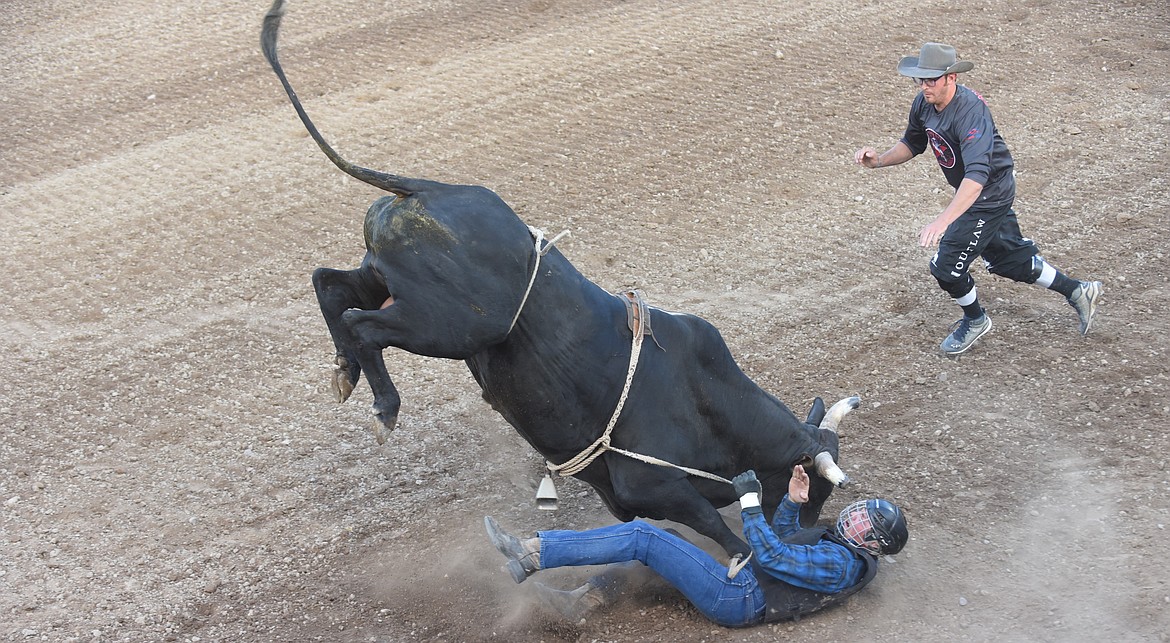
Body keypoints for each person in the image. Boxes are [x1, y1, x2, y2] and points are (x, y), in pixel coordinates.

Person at [853, 42, 1102, 356]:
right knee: (1009, 262)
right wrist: (879, 161)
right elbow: (912, 143)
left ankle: (975, 319)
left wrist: (944, 221)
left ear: (951, 78)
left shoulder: (970, 113)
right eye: (921, 79)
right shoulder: (923, 103)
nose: (925, 85)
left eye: (932, 79)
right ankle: (1079, 291)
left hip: (987, 195)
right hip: (980, 192)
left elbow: (976, 178)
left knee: (945, 267)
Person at [483, 464, 908, 627]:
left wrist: (749, 503)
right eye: (858, 510)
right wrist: (793, 506)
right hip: (742, 586)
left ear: (874, 543)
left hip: (739, 598)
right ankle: (582, 602)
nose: (851, 516)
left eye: (863, 521)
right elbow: (785, 542)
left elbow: (773, 555)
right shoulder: (839, 551)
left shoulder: (843, 566)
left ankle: (533, 551)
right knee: (667, 538)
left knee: (643, 537)